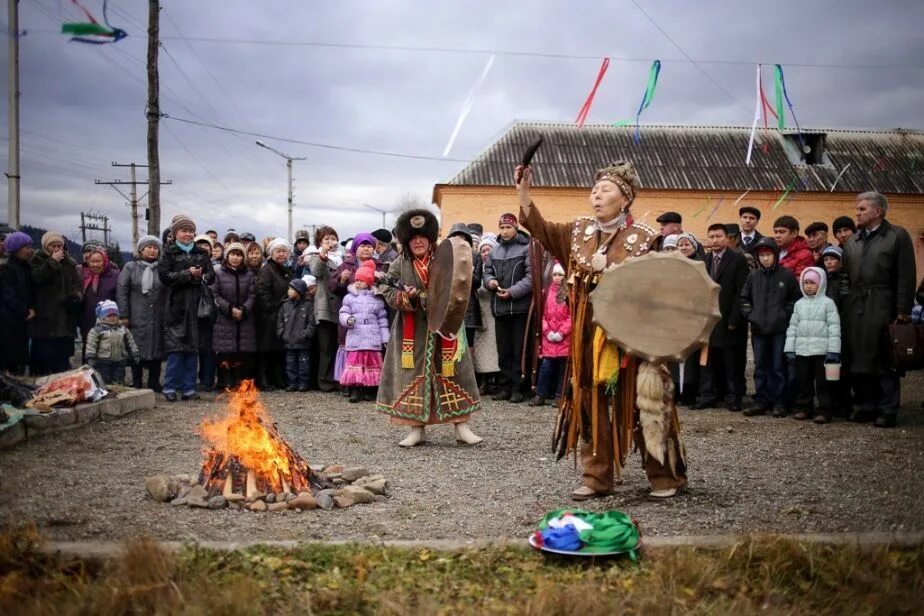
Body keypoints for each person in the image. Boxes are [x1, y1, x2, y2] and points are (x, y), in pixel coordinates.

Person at [517, 160, 686, 500]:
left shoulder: (646, 239)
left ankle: (665, 476)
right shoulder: (577, 232)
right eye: (594, 190)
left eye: (605, 190)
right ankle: (596, 477)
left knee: (647, 401)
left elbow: (661, 290)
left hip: (632, 337)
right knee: (590, 405)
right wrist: (523, 190)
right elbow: (540, 228)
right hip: (586, 338)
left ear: (625, 199)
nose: (596, 195)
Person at [376, 208, 482, 448]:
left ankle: (462, 426)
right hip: (412, 330)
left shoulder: (445, 256)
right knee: (411, 375)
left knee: (454, 371)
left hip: (447, 324)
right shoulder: (398, 264)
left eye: (422, 237)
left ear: (430, 238)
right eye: (413, 238)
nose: (418, 241)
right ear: (406, 240)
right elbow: (386, 290)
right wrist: (407, 298)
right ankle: (416, 429)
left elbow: (462, 282)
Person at [841, 191, 915, 428]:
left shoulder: (897, 236)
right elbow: (844, 276)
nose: (857, 212)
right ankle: (867, 404)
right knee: (859, 355)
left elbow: (906, 275)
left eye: (862, 209)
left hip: (883, 301)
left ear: (878, 211)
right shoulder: (853, 241)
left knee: (884, 357)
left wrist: (903, 309)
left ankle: (888, 409)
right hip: (856, 304)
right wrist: (845, 300)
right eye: (857, 208)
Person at [740, 237, 799, 417]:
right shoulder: (753, 276)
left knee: (778, 366)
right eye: (762, 255)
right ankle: (761, 399)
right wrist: (750, 315)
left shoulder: (786, 275)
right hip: (758, 329)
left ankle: (779, 401)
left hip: (779, 330)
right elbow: (744, 299)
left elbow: (794, 299)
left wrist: (783, 315)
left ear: (775, 255)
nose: (765, 258)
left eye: (768, 255)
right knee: (760, 366)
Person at [158, 214, 215, 402]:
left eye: (191, 230)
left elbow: (211, 276)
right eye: (184, 230)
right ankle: (170, 387)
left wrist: (200, 276)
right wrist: (186, 274)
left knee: (193, 349)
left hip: (198, 305)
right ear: (175, 233)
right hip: (176, 305)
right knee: (176, 350)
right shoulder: (169, 252)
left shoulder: (202, 253)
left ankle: (189, 388)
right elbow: (165, 277)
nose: (188, 234)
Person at [695, 223, 749, 412]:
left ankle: (734, 397)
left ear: (727, 238)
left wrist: (735, 318)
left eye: (718, 236)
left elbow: (741, 291)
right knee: (709, 359)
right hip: (710, 320)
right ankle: (708, 394)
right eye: (711, 237)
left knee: (731, 361)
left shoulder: (737, 260)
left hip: (729, 318)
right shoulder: (705, 260)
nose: (715, 240)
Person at [483, 213, 533, 403]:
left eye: (508, 228)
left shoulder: (526, 248)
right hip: (500, 307)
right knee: (503, 350)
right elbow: (487, 273)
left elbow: (530, 278)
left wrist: (512, 292)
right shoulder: (494, 252)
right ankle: (505, 387)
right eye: (502, 228)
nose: (504, 231)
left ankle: (518, 388)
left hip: (519, 307)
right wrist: (490, 282)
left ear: (516, 228)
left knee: (519, 350)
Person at [784, 267, 841, 424]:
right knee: (803, 381)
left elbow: (834, 328)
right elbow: (793, 327)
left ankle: (824, 410)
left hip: (822, 351)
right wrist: (790, 347)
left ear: (821, 284)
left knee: (823, 383)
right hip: (803, 350)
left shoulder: (828, 304)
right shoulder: (799, 304)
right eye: (806, 282)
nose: (809, 286)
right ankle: (804, 407)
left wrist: (834, 350)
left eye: (812, 283)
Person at [117, 235, 165, 391]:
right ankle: (136, 381)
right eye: (148, 247)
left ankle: (154, 381)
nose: (152, 250)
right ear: (141, 250)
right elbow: (122, 291)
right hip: (136, 314)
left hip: (158, 315)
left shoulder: (163, 268)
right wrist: (124, 314)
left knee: (157, 347)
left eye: (155, 248)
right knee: (135, 347)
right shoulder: (130, 267)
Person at [30, 231, 81, 376]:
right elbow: (37, 278)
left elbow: (76, 284)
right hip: (45, 315)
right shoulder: (37, 260)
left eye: (59, 245)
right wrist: (52, 261)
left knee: (63, 357)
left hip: (65, 316)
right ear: (46, 246)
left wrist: (76, 296)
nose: (57, 248)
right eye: (53, 245)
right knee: (45, 355)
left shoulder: (70, 263)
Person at [339, 260, 389, 402]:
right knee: (355, 363)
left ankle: (369, 389)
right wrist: (347, 320)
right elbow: (343, 312)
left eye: (362, 280)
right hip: (356, 336)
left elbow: (382, 320)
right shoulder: (349, 298)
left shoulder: (377, 299)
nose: (358, 283)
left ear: (369, 282)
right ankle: (355, 389)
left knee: (371, 364)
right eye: (357, 280)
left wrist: (385, 338)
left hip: (372, 337)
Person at [211, 242, 257, 390]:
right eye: (232, 254)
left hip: (244, 319)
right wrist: (230, 309)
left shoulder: (249, 274)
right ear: (227, 256)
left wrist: (243, 310)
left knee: (242, 352)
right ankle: (224, 382)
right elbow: (215, 294)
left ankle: (241, 383)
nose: (235, 258)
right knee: (225, 352)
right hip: (224, 319)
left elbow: (252, 295)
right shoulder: (219, 273)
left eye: (238, 255)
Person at [307, 226, 343, 392]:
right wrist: (323, 254)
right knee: (326, 347)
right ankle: (324, 381)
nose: (330, 242)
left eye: (333, 238)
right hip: (324, 308)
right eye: (326, 239)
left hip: (341, 308)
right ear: (320, 242)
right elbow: (316, 271)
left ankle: (337, 379)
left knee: (338, 346)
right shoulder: (316, 257)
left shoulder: (342, 258)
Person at [530, 262, 571, 406]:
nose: (557, 278)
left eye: (560, 275)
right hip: (549, 338)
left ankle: (560, 396)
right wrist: (547, 331)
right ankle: (541, 394)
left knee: (562, 370)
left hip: (564, 339)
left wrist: (561, 332)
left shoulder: (569, 293)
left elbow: (571, 317)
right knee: (546, 367)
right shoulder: (546, 292)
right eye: (555, 274)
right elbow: (541, 314)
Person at [256, 238, 293, 391]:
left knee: (279, 348)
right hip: (268, 314)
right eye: (278, 251)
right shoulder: (267, 269)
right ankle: (264, 379)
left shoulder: (285, 270)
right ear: (271, 253)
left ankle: (278, 378)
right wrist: (272, 307)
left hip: (282, 313)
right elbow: (262, 291)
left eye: (284, 251)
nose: (281, 254)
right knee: (266, 348)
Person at [821, 245, 852, 417]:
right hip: (827, 329)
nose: (829, 262)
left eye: (833, 259)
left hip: (843, 329)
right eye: (826, 259)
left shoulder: (846, 280)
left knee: (844, 368)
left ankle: (844, 404)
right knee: (829, 368)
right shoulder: (823, 280)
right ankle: (830, 402)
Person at [0, 232, 36, 374]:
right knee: (10, 360)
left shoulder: (26, 267)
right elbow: (9, 295)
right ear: (15, 249)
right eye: (26, 247)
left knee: (19, 360)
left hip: (21, 321)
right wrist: (25, 311)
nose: (30, 250)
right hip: (9, 321)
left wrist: (32, 308)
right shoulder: (7, 269)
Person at [84, 300, 139, 385]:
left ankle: (119, 391)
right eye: (109, 315)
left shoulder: (122, 329)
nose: (112, 317)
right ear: (102, 316)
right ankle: (106, 392)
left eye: (115, 315)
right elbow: (91, 344)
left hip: (120, 360)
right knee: (104, 380)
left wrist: (134, 353)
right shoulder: (97, 330)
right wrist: (91, 357)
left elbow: (130, 342)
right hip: (103, 361)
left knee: (119, 379)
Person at [79, 247, 119, 359]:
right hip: (87, 320)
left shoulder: (115, 276)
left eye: (98, 261)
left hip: (110, 321)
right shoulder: (83, 276)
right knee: (89, 351)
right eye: (92, 261)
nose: (95, 265)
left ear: (105, 261)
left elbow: (120, 297)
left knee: (107, 351)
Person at [277, 277, 317, 392]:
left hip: (303, 341)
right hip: (288, 340)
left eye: (291, 289)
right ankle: (292, 383)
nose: (288, 291)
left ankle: (303, 383)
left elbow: (311, 322)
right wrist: (281, 333)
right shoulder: (285, 305)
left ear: (298, 291)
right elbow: (279, 320)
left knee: (304, 363)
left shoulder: (308, 305)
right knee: (290, 363)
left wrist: (306, 334)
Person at [447, 223, 483, 347]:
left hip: (468, 305)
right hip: (449, 304)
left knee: (468, 344)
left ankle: (468, 367)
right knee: (449, 343)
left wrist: (466, 270)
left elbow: (477, 283)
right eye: (455, 236)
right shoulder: (445, 256)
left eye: (462, 237)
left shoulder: (475, 256)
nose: (459, 240)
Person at [472, 234, 500, 393]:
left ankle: (493, 380)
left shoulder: (495, 268)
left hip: (492, 312)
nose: (485, 253)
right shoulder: (477, 267)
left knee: (493, 348)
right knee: (479, 348)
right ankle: (482, 381)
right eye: (483, 250)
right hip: (479, 312)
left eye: (488, 249)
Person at [193, 234, 217, 391]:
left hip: (211, 311)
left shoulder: (215, 267)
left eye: (206, 244)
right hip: (191, 309)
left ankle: (207, 379)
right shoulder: (188, 263)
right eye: (200, 243)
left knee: (208, 348)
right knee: (192, 347)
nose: (203, 246)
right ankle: (189, 380)